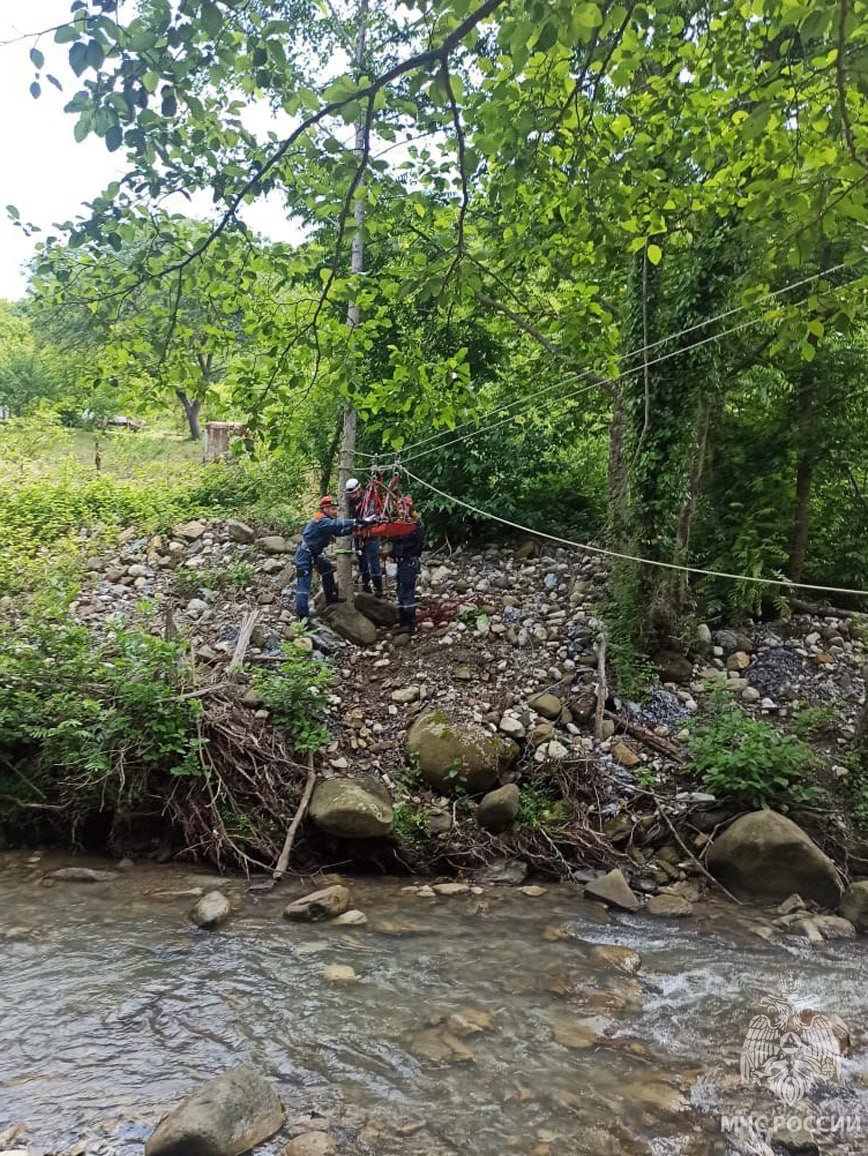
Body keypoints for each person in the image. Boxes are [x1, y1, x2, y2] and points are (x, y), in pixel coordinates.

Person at [294, 495, 369, 622]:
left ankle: (330, 598)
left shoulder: (327, 521)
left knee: (327, 570)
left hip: (313, 554)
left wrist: (355, 528)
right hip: (305, 555)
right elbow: (335, 525)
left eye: (336, 509)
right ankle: (302, 617)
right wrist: (356, 521)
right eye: (333, 509)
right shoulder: (320, 519)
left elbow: (339, 532)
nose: (336, 512)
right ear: (325, 509)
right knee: (303, 586)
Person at [390, 495, 425, 635]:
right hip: (400, 562)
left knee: (407, 593)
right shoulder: (398, 523)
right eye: (399, 507)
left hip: (409, 561)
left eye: (404, 507)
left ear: (409, 508)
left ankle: (410, 624)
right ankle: (403, 621)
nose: (401, 510)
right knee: (400, 591)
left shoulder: (415, 523)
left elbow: (417, 540)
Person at [345, 477, 383, 596]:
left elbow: (374, 516)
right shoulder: (348, 504)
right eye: (351, 494)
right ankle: (366, 587)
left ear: (359, 490)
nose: (353, 495)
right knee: (362, 564)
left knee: (374, 563)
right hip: (358, 537)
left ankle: (378, 589)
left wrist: (362, 521)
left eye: (355, 493)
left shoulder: (369, 500)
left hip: (371, 536)